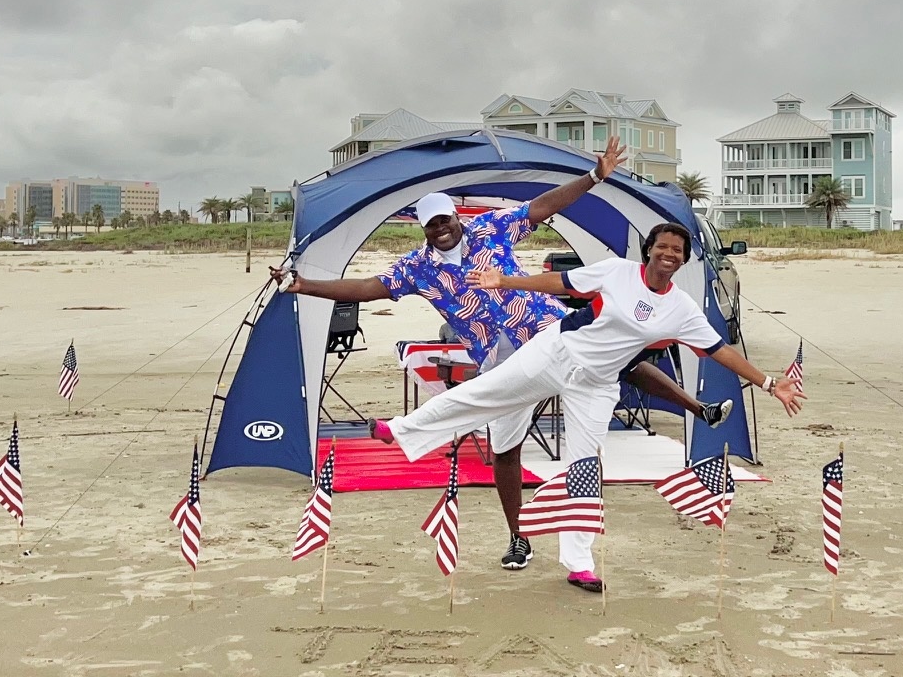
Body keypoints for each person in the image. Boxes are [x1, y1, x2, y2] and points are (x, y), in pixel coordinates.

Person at [274, 137, 729, 571]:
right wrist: (305, 284)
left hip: (547, 330)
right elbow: (366, 288)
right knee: (504, 450)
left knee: (621, 360)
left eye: (447, 218)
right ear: (424, 229)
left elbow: (545, 205)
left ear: (456, 216)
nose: (443, 228)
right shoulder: (416, 268)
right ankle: (519, 536)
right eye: (433, 224)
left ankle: (697, 408)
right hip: (502, 360)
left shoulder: (490, 229)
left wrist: (594, 176)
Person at [377, 219, 805, 592]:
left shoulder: (681, 308)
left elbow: (718, 350)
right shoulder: (618, 273)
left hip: (596, 386)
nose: (669, 254)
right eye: (663, 247)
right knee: (483, 394)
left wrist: (769, 383)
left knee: (584, 468)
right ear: (649, 252)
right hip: (556, 351)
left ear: (684, 259)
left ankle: (579, 563)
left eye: (678, 250)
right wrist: (504, 282)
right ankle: (402, 430)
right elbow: (562, 284)